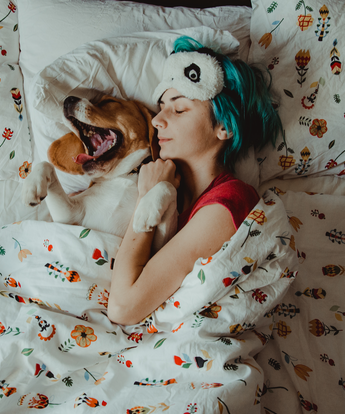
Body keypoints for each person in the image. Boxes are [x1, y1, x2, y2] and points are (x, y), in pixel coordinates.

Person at [107, 36, 282, 325]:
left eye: (178, 109)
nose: (157, 120)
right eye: (161, 106)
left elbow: (123, 308)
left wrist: (147, 197)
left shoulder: (230, 201)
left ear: (224, 127)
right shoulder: (181, 196)